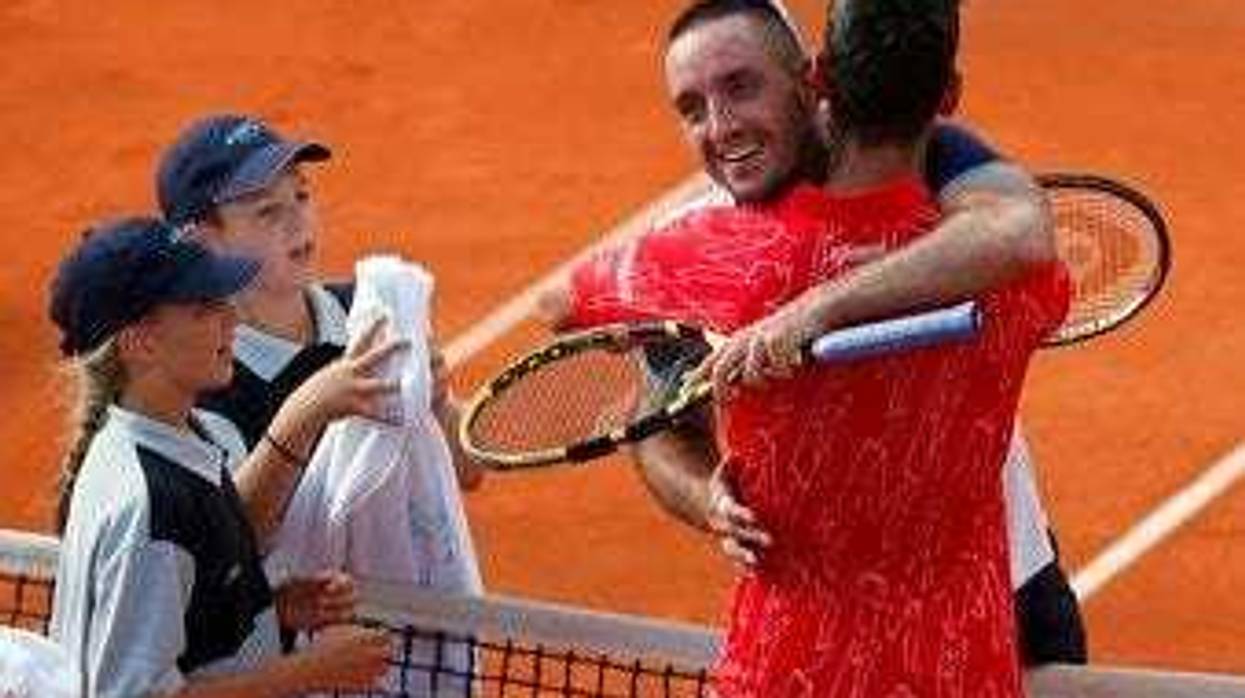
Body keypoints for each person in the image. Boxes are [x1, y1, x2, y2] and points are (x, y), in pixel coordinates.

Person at [545, 0, 1085, 667]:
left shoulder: (936, 170)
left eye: (742, 87)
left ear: (811, 82)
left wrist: (809, 310)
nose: (722, 127)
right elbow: (657, 423)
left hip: (1005, 593)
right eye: (691, 108)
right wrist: (705, 497)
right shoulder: (704, 252)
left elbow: (1020, 233)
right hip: (825, 641)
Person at [47, 217, 394, 696]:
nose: (231, 317)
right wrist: (311, 671)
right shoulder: (149, 504)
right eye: (203, 307)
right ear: (140, 341)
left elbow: (184, 615)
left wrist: (270, 608)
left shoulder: (185, 436)